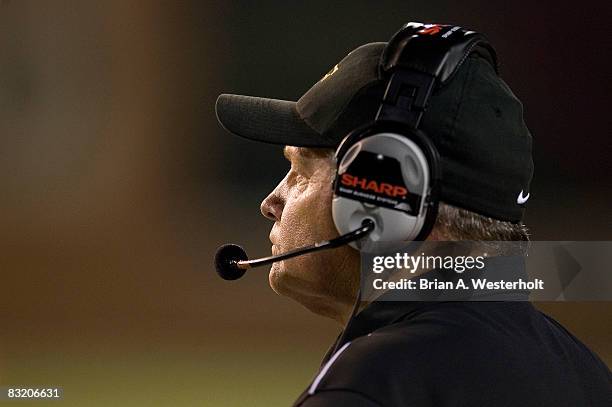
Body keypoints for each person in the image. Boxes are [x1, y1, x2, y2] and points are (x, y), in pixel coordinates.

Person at [215, 23, 611, 406]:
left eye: (301, 173)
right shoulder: (586, 373)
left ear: (381, 203)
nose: (271, 201)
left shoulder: (373, 386)